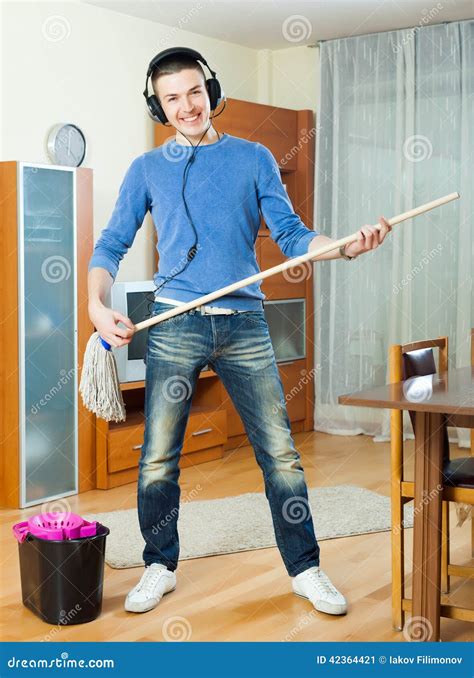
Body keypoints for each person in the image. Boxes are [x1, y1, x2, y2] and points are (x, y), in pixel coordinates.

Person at [87, 47, 392, 617]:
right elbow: (110, 246)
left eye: (194, 91)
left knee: (280, 455)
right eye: (172, 97)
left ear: (211, 89)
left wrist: (344, 247)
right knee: (158, 457)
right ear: (159, 105)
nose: (186, 105)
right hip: (176, 321)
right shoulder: (146, 170)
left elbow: (293, 235)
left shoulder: (254, 158)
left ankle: (306, 569)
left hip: (245, 324)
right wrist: (95, 305)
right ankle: (160, 564)